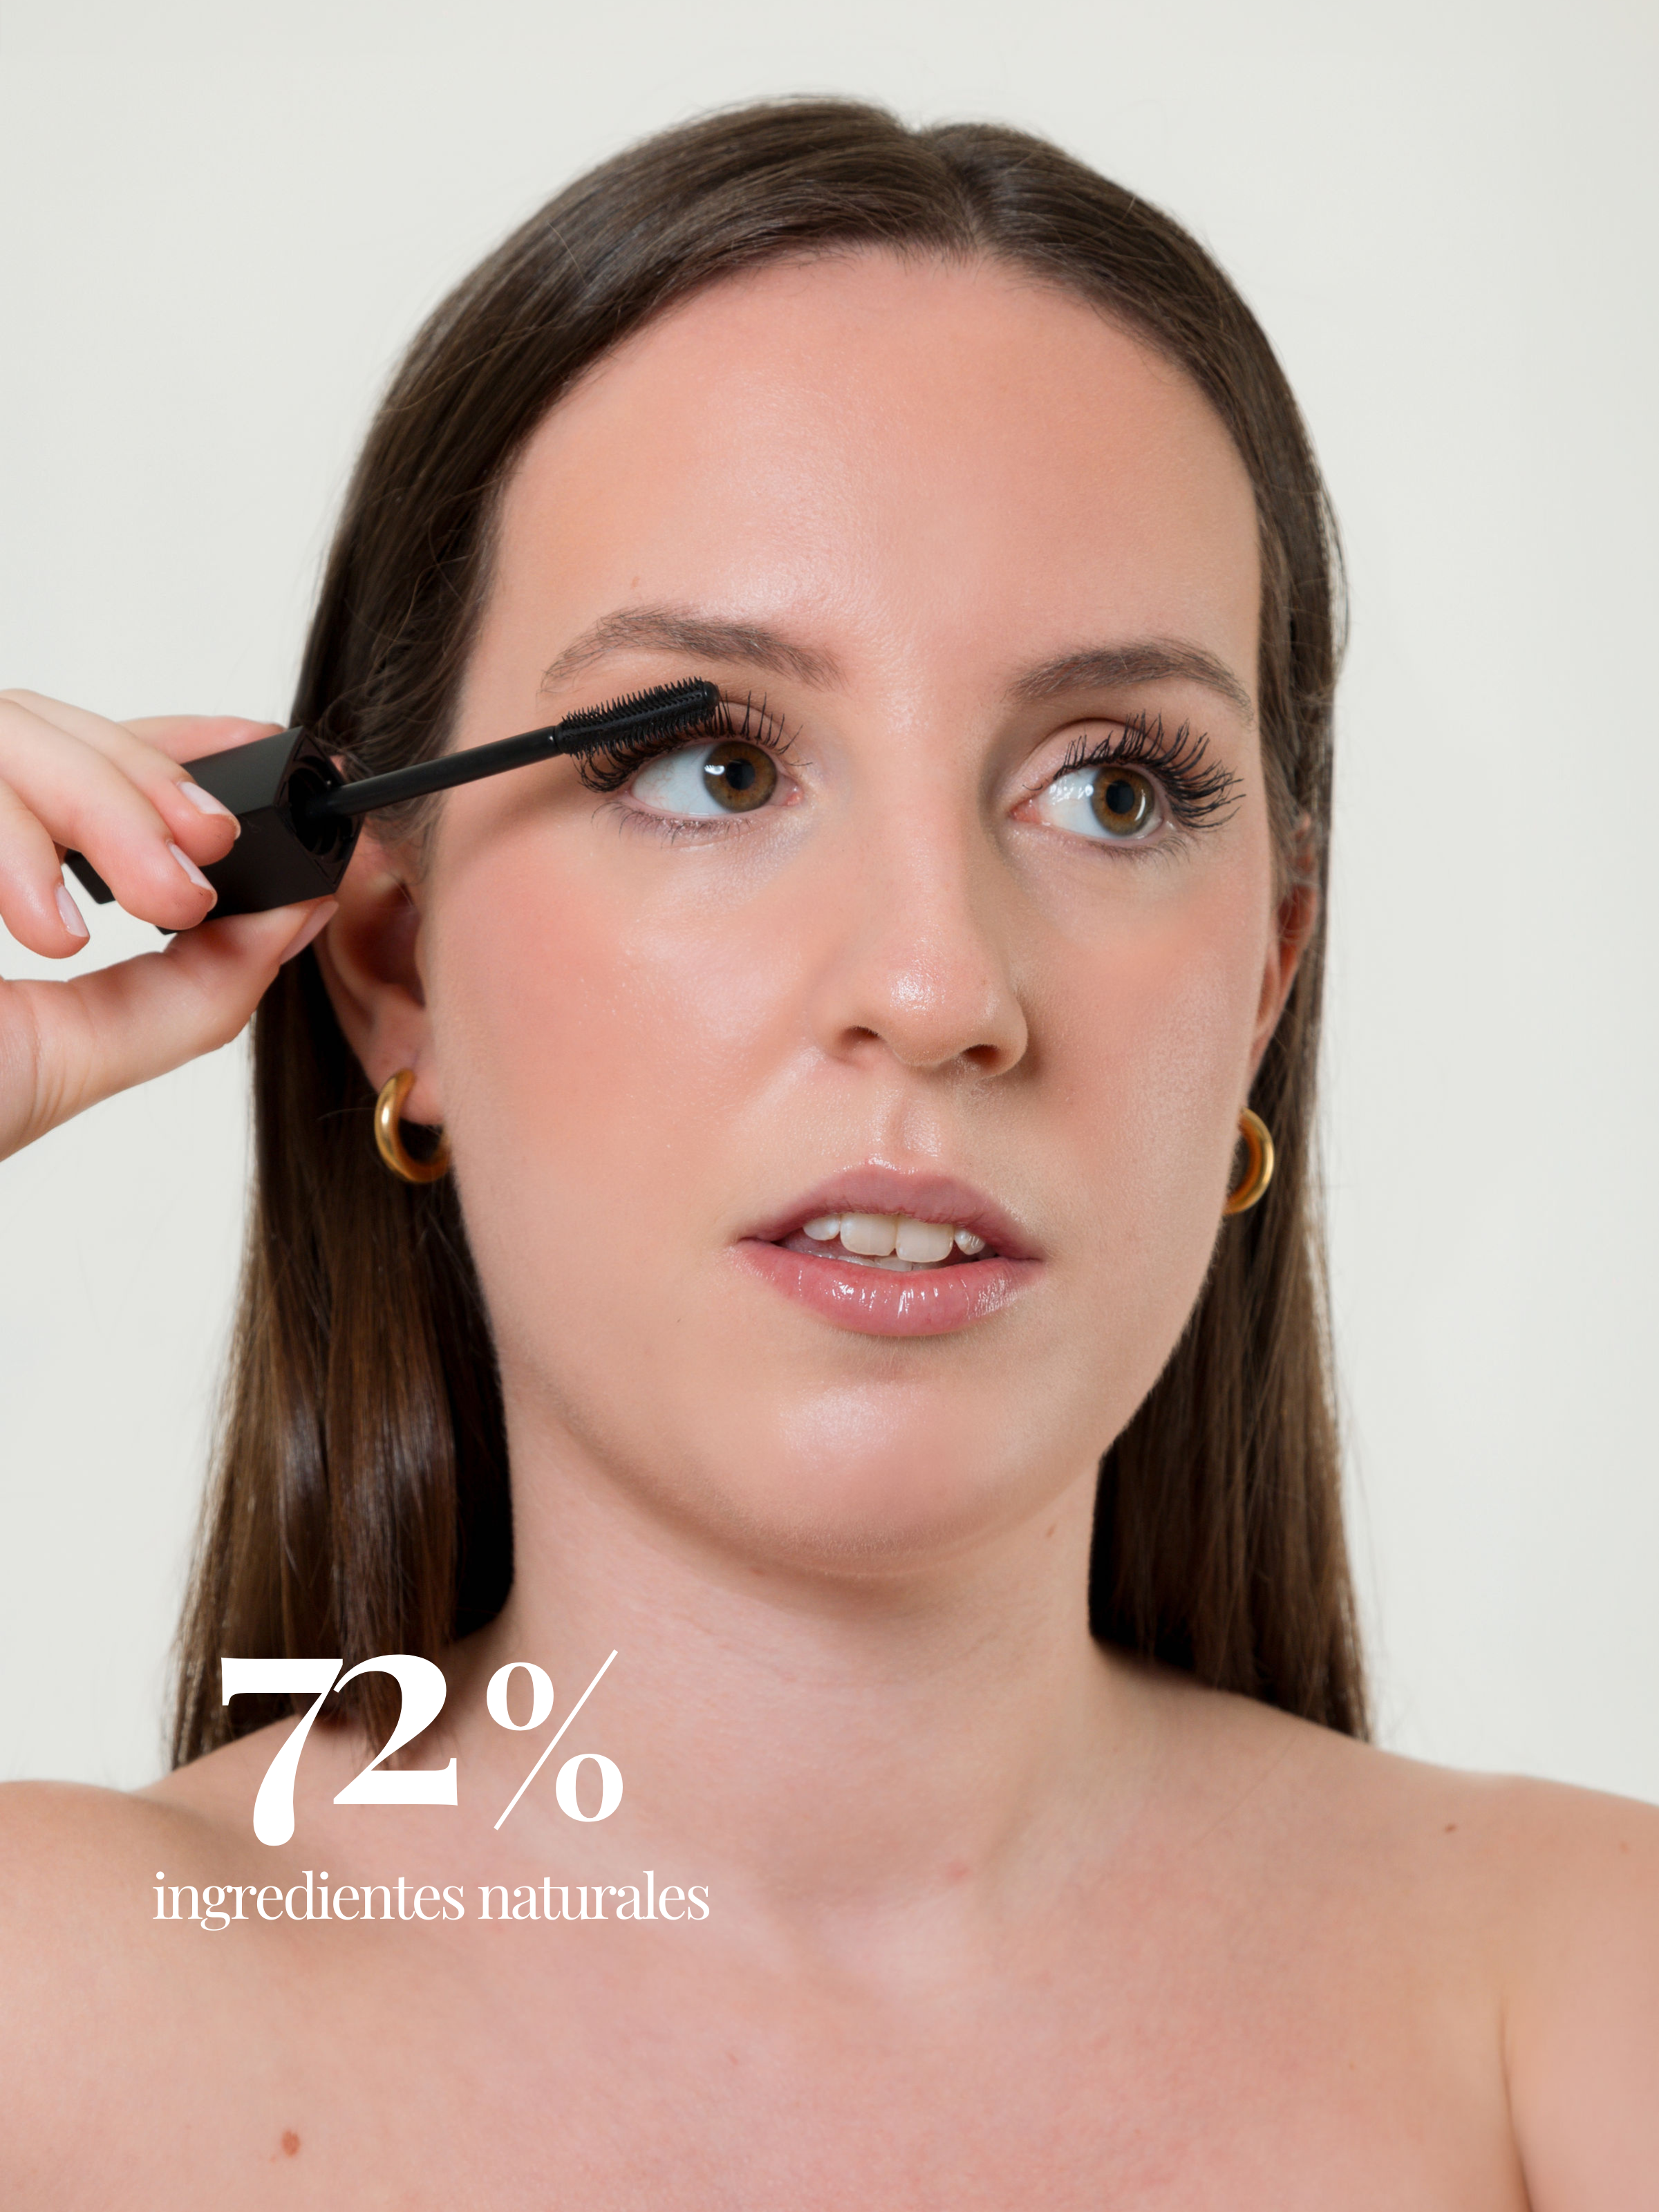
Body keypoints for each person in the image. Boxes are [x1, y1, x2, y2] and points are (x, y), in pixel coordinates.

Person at [1, 98, 1653, 2206]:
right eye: (710, 762)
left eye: (1116, 792)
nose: (939, 984)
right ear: (397, 963)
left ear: (1264, 981)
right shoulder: (44, 2024)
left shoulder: (1584, 2004)